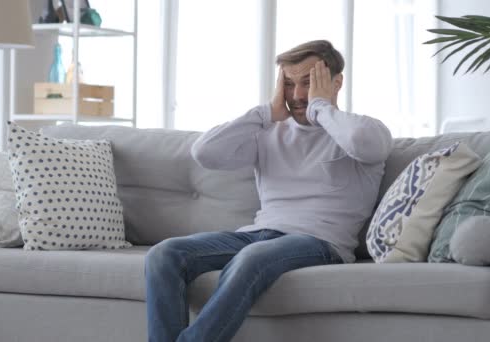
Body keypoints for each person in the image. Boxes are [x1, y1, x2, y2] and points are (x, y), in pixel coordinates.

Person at [144, 40, 393, 342]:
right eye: (289, 84)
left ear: (336, 82)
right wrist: (265, 112)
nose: (299, 95)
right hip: (259, 232)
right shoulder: (268, 133)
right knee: (164, 254)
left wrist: (320, 107)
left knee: (252, 257)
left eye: (308, 83)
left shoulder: (363, 130)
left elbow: (366, 145)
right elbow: (204, 153)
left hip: (321, 243)